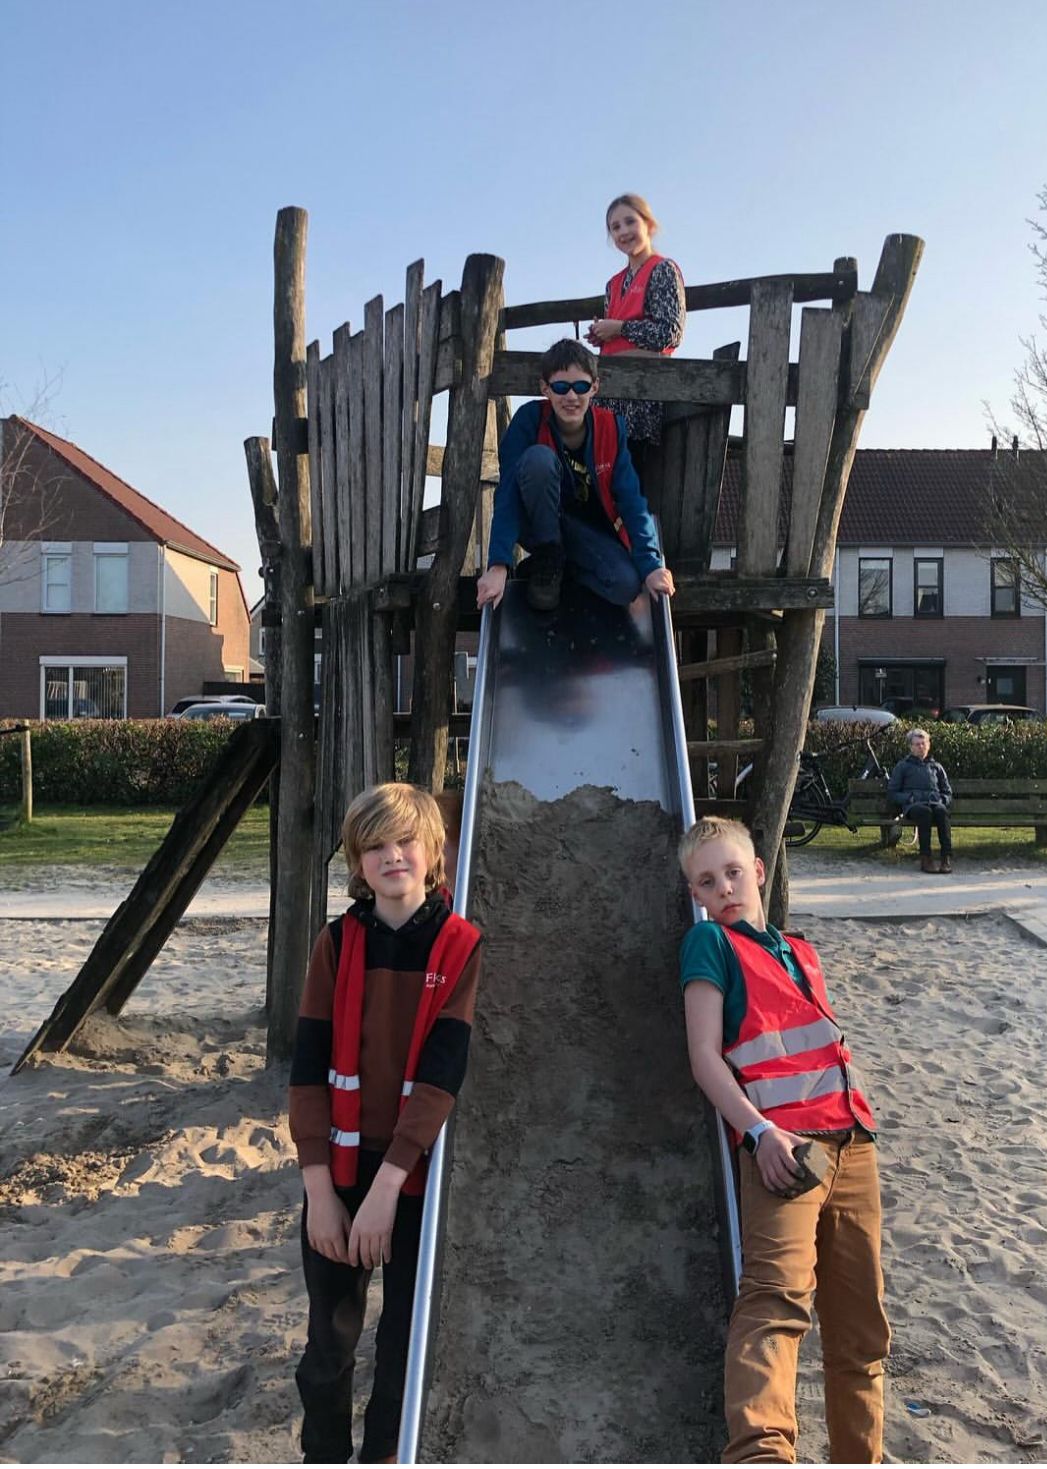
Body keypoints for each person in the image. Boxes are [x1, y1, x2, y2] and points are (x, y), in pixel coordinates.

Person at [678, 816, 889, 1464]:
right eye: (705, 881)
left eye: (732, 872)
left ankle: (862, 1454)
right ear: (695, 893)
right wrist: (759, 1132)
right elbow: (704, 1057)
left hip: (853, 1143)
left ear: (759, 870)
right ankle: (760, 1454)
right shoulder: (708, 942)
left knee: (860, 1329)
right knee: (774, 1303)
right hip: (786, 1149)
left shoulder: (799, 950)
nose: (722, 888)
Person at [289, 783, 482, 1464]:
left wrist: (384, 1193)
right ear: (357, 861)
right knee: (329, 1346)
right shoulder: (337, 943)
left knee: (401, 1348)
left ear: (433, 854)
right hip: (339, 1169)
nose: (391, 855)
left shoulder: (460, 946)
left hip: (412, 1177)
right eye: (375, 845)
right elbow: (308, 1068)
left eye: (405, 842)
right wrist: (320, 1191)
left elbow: (438, 1081)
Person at [474, 337, 675, 614]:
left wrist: (651, 566)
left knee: (625, 584)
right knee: (538, 460)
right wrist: (498, 564)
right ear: (546, 389)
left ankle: (556, 568)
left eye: (580, 386)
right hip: (540, 525)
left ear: (595, 387)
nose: (571, 396)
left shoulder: (610, 428)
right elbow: (507, 491)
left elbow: (631, 500)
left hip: (584, 532)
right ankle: (547, 558)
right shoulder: (529, 420)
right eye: (561, 387)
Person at [587, 192, 686, 458]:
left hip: (640, 394)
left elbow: (670, 334)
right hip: (608, 392)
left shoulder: (663, 270)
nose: (623, 232)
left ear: (649, 225)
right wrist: (602, 335)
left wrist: (620, 329)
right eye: (615, 227)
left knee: (628, 479)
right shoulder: (613, 284)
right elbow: (620, 330)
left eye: (630, 222)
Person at [887, 727, 953, 873]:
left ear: (928, 745)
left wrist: (942, 800)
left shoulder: (936, 767)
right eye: (917, 744)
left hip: (935, 803)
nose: (921, 747)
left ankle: (946, 858)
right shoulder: (903, 766)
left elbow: (947, 792)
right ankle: (926, 859)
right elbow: (892, 793)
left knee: (942, 812)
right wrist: (909, 798)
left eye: (924, 743)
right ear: (911, 747)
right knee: (925, 813)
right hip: (914, 806)